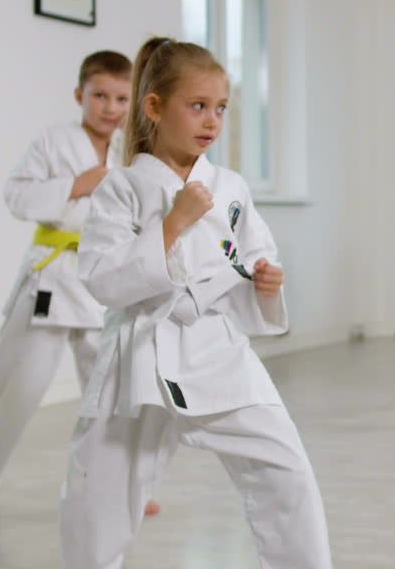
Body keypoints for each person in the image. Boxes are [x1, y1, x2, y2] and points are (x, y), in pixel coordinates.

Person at [59, 37, 331, 568]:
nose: (212, 120)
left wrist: (265, 282)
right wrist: (173, 222)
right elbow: (102, 279)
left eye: (221, 108)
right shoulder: (122, 187)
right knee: (98, 497)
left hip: (216, 350)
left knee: (286, 472)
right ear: (155, 107)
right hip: (139, 355)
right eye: (198, 105)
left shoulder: (229, 186)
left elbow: (253, 256)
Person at [0, 51, 163, 518]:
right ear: (79, 95)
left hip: (106, 279)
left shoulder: (132, 152)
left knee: (115, 390)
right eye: (99, 96)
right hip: (51, 276)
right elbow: (16, 195)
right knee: (14, 385)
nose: (110, 107)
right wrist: (77, 184)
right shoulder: (52, 142)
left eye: (119, 98)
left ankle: (127, 484)